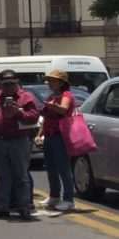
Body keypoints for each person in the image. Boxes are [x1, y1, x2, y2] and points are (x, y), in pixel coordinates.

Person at [0, 70, 39, 220]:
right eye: (5, 84)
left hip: (19, 141)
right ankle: (1, 207)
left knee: (21, 176)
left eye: (12, 84)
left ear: (17, 83)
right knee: (2, 176)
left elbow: (34, 117)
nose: (8, 87)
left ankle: (24, 207)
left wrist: (18, 113)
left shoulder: (26, 97)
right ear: (0, 84)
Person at [36, 69, 77, 212]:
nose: (50, 83)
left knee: (63, 168)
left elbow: (64, 110)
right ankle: (54, 196)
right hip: (50, 134)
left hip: (60, 135)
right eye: (49, 80)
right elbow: (46, 118)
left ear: (62, 83)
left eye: (53, 80)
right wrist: (39, 134)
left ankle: (68, 199)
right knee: (51, 167)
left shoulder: (66, 95)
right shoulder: (51, 96)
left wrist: (54, 106)